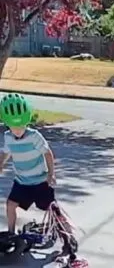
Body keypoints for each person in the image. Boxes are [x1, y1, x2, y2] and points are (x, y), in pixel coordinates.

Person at [0, 93, 56, 234]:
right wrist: (1, 164)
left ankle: (61, 229)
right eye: (14, 127)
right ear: (7, 124)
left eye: (21, 126)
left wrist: (51, 174)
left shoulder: (34, 136)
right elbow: (6, 152)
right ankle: (11, 233)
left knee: (50, 207)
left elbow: (47, 153)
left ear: (27, 121)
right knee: (10, 205)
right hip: (21, 182)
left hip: (40, 181)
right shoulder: (8, 137)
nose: (18, 130)